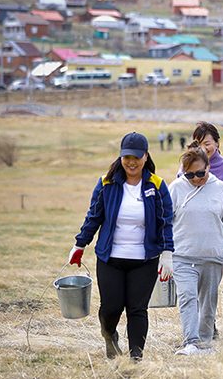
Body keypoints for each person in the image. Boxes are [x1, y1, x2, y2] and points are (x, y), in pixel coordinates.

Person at [68, 132, 174, 361]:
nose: (131, 162)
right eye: (127, 157)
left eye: (137, 157)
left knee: (137, 309)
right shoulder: (107, 183)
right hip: (110, 258)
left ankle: (136, 357)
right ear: (121, 156)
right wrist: (79, 244)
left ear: (146, 156)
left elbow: (166, 221)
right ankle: (110, 334)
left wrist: (167, 253)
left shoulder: (156, 185)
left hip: (144, 260)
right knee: (111, 307)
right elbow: (94, 216)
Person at [168, 147, 223, 355]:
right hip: (183, 256)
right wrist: (163, 255)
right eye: (190, 175)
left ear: (208, 167)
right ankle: (191, 342)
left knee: (208, 303)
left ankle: (204, 343)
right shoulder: (175, 188)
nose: (195, 178)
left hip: (213, 257)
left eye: (200, 173)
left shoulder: (220, 188)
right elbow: (164, 223)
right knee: (188, 297)